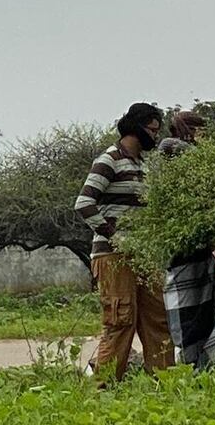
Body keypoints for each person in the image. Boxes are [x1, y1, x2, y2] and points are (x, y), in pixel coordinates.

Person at [74, 102, 174, 380]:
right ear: (137, 129)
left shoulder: (143, 165)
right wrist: (115, 236)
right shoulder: (109, 160)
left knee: (158, 320)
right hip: (114, 256)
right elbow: (84, 203)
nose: (155, 136)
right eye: (152, 130)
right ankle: (103, 390)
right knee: (120, 321)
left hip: (143, 255)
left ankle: (166, 384)